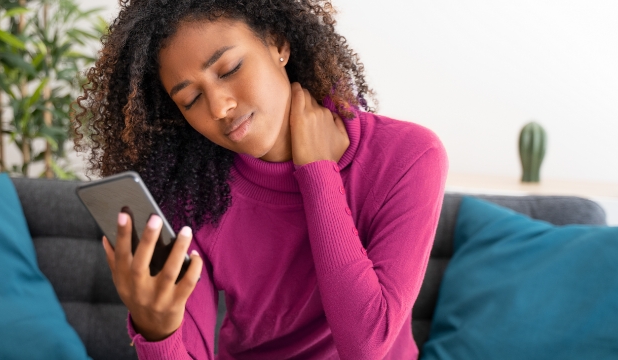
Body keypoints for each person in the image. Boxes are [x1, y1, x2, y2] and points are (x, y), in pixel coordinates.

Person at [73, 0, 448, 358]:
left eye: (230, 69)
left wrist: (317, 173)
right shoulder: (194, 193)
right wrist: (157, 331)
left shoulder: (409, 157)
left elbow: (367, 346)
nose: (219, 107)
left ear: (278, 44)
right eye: (190, 100)